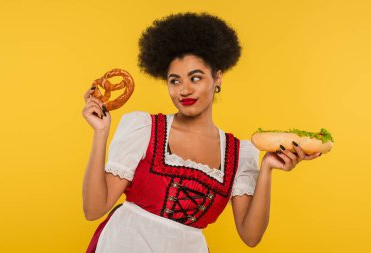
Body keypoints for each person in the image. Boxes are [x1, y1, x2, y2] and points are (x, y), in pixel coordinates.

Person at [82, 12, 322, 253]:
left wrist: (268, 168)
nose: (184, 90)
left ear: (217, 78)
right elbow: (93, 209)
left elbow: (251, 236)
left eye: (195, 78)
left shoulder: (239, 154)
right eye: (175, 81)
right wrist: (101, 133)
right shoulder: (144, 129)